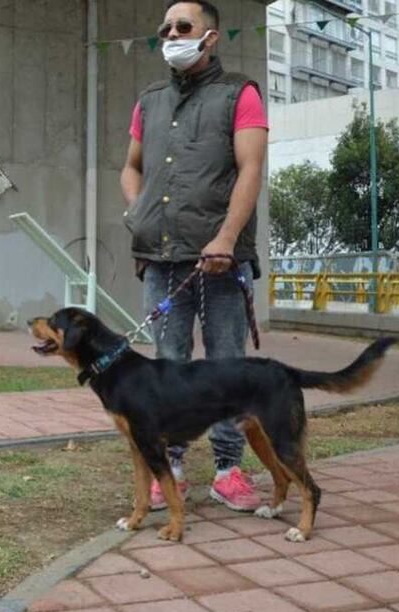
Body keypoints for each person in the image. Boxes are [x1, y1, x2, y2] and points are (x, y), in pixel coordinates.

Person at [119, 0, 268, 512]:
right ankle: (172, 468)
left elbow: (250, 170)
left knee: (226, 366)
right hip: (161, 259)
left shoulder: (240, 94)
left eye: (184, 26)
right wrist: (138, 213)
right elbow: (131, 167)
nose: (172, 34)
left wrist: (226, 236)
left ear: (211, 37)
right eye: (165, 28)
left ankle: (229, 469)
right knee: (169, 366)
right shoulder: (150, 100)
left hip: (222, 261)